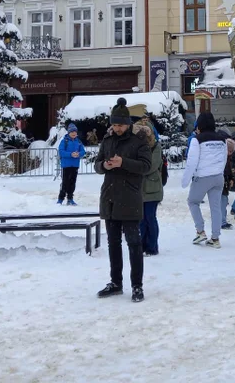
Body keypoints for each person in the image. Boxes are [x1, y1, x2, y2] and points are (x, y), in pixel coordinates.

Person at [94, 98, 152, 302]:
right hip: (110, 196)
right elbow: (96, 164)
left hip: (130, 197)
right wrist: (105, 166)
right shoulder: (107, 140)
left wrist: (123, 162)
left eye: (119, 124)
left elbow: (146, 166)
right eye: (114, 124)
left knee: (134, 243)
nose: (116, 128)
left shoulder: (139, 141)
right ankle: (116, 282)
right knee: (113, 243)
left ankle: (137, 285)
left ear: (127, 123)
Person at [181, 111, 229, 248]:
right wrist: (219, 172)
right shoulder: (222, 139)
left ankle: (200, 231)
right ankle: (215, 238)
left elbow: (192, 162)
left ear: (199, 125)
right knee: (215, 207)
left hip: (203, 177)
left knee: (193, 202)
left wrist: (185, 181)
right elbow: (224, 158)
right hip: (218, 177)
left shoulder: (197, 139)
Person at [135, 118, 164, 257]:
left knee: (150, 217)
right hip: (139, 188)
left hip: (152, 188)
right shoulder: (136, 145)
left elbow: (151, 165)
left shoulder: (156, 146)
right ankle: (142, 245)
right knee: (141, 219)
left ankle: (152, 246)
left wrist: (136, 168)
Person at [57, 123, 85, 205]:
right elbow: (61, 152)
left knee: (72, 183)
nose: (74, 133)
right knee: (65, 183)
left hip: (75, 165)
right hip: (66, 165)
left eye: (75, 132)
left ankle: (70, 198)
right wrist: (70, 154)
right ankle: (60, 198)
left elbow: (83, 151)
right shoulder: (64, 141)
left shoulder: (79, 141)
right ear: (68, 132)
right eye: (72, 131)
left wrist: (79, 154)